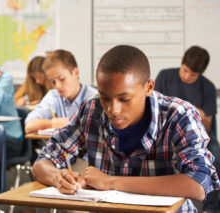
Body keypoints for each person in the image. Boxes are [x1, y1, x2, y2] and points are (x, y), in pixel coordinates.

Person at [32, 45, 220, 213]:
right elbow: (43, 162)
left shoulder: (180, 116)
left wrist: (110, 182)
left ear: (149, 87)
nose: (113, 110)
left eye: (124, 99)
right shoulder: (91, 110)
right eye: (105, 97)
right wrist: (58, 177)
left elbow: (198, 184)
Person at [155, 45, 220, 213]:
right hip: (167, 131)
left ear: (201, 73)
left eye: (193, 75)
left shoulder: (208, 87)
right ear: (182, 61)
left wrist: (194, 113)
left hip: (198, 133)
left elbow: (207, 125)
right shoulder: (164, 76)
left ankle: (211, 207)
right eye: (185, 71)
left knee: (215, 153)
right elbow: (154, 111)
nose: (187, 77)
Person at [25, 49, 97, 134]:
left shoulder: (95, 97)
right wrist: (53, 123)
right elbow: (29, 126)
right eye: (53, 81)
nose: (57, 86)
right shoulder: (53, 96)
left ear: (76, 72)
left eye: (62, 79)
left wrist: (69, 122)